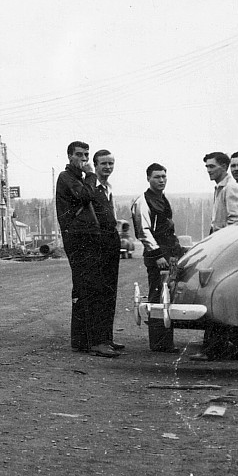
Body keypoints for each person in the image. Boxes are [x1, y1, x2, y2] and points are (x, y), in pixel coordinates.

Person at [55, 140, 117, 357]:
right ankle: (95, 342)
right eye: (79, 155)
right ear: (70, 156)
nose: (83, 159)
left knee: (84, 290)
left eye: (86, 155)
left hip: (85, 239)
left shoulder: (76, 178)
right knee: (90, 290)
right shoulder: (67, 178)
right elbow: (84, 196)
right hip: (78, 241)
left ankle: (82, 340)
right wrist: (91, 175)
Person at [131, 163, 181, 352]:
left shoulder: (162, 199)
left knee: (169, 296)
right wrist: (157, 255)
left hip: (169, 255)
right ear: (148, 179)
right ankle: (158, 343)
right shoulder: (143, 201)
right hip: (157, 257)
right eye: (157, 177)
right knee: (157, 296)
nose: (161, 180)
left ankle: (166, 342)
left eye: (163, 177)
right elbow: (143, 231)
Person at [91, 149, 124, 352]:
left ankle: (107, 337)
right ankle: (98, 341)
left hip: (111, 242)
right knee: (99, 292)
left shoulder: (108, 188)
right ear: (95, 165)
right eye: (103, 163)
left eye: (111, 163)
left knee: (110, 292)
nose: (108, 167)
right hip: (97, 243)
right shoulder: (91, 188)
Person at [204, 151, 238, 233]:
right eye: (207, 167)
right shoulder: (221, 188)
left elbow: (237, 222)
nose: (208, 170)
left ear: (224, 167)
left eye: (212, 167)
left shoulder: (231, 187)